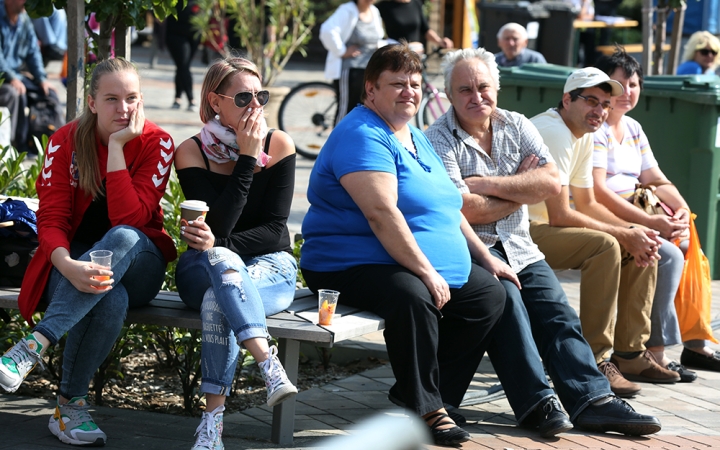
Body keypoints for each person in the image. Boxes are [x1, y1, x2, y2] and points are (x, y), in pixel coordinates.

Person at [425, 47, 662, 438]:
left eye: (483, 86)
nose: (476, 96)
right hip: (472, 250)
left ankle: (593, 400)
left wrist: (486, 186)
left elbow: (550, 183)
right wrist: (520, 188)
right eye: (464, 89)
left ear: (496, 89)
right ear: (450, 95)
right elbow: (463, 210)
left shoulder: (516, 124)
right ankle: (537, 402)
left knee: (559, 314)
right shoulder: (438, 138)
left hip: (520, 245)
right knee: (510, 307)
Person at [300, 43, 513, 446]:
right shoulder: (362, 134)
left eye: (415, 83)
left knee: (488, 296)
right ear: (370, 90)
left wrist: (486, 258)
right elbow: (382, 214)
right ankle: (427, 408)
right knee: (413, 296)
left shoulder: (413, 134)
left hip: (400, 259)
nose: (409, 92)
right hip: (346, 262)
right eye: (396, 84)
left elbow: (447, 206)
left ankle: (428, 393)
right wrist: (427, 271)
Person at [0, 58, 177, 446]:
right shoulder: (66, 139)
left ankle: (34, 344)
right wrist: (66, 264)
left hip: (141, 263)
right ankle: (70, 409)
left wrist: (117, 147)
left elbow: (128, 218)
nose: (123, 109)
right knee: (110, 298)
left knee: (126, 237)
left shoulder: (157, 142)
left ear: (141, 100)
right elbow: (51, 219)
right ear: (92, 102)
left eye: (131, 98)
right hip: (74, 263)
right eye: (112, 99)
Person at [526, 67, 681, 394]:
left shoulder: (582, 133)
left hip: (545, 228)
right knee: (606, 246)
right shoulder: (553, 131)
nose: (599, 111)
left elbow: (588, 202)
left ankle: (631, 352)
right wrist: (624, 234)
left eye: (605, 104)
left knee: (642, 243)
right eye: (591, 101)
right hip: (519, 232)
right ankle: (595, 360)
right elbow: (560, 215)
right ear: (567, 100)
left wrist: (633, 231)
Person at [173, 57, 299, 450]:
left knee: (218, 296)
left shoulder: (278, 145)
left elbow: (275, 230)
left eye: (260, 95)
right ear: (215, 101)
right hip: (199, 267)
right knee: (221, 272)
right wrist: (246, 158)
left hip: (270, 267)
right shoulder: (191, 152)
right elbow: (221, 226)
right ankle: (267, 363)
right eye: (243, 97)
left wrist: (220, 249)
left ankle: (211, 427)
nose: (255, 106)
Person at [593, 46, 720, 374]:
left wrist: (681, 210)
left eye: (633, 84)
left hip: (639, 212)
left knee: (686, 242)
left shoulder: (634, 129)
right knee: (668, 254)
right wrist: (651, 221)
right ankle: (651, 349)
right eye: (618, 84)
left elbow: (656, 179)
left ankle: (693, 344)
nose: (627, 92)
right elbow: (595, 192)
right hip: (605, 216)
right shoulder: (596, 126)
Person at [0, 0, 58, 154]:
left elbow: (33, 52)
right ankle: (12, 146)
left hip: (17, 76)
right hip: (4, 77)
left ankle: (43, 143)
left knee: (49, 93)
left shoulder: (24, 19)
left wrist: (41, 79)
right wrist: (12, 78)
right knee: (15, 93)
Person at [319, 0, 385, 123]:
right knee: (346, 110)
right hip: (351, 69)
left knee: (365, 109)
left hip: (370, 69)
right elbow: (327, 30)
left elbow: (378, 38)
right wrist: (342, 51)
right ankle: (338, 141)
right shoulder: (347, 10)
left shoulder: (374, 11)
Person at [376, 0, 453, 53]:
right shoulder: (384, 6)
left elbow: (425, 29)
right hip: (395, 54)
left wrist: (440, 41)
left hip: (415, 52)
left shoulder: (416, 3)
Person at [166, 0, 201, 112]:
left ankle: (177, 98)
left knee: (182, 67)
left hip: (194, 32)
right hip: (175, 32)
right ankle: (191, 100)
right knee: (183, 66)